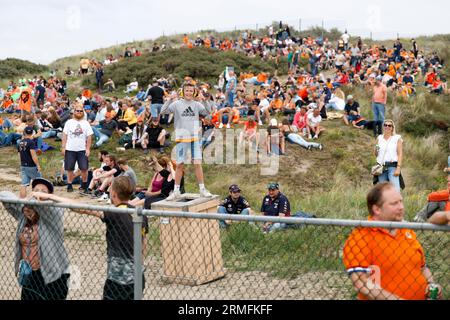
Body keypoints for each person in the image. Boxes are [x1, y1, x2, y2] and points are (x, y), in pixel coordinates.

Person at [32, 176, 149, 300]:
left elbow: (81, 208)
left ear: (113, 194)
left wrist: (50, 196)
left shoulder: (114, 212)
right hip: (138, 276)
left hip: (118, 279)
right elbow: (144, 246)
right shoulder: (140, 214)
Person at [343, 182, 443, 300]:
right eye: (394, 203)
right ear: (377, 209)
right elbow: (362, 283)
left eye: (401, 201)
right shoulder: (361, 236)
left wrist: (431, 284)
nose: (401, 207)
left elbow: (422, 267)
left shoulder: (407, 231)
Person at [0, 178, 70, 300]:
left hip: (54, 275)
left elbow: (52, 208)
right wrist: (23, 205)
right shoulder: (24, 215)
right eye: (36, 190)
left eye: (43, 191)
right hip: (31, 274)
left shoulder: (52, 216)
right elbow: (3, 195)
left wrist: (42, 198)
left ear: (49, 196)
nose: (39, 193)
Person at [160, 79, 212, 199]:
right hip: (182, 138)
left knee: (197, 163)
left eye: (191, 91)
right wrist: (169, 99)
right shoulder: (177, 103)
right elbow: (163, 111)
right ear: (183, 91)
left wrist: (205, 100)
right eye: (187, 90)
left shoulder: (196, 104)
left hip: (195, 137)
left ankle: (202, 189)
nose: (189, 92)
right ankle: (176, 190)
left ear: (194, 92)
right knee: (179, 165)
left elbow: (209, 112)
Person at [62, 104, 94, 193]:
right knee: (70, 168)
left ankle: (84, 184)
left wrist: (88, 149)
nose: (79, 112)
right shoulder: (69, 122)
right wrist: (63, 147)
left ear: (83, 112)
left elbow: (89, 137)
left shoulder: (86, 123)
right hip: (70, 148)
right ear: (74, 112)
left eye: (81, 111)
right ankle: (69, 185)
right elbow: (65, 135)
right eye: (77, 111)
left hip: (82, 149)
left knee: (84, 168)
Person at [374, 119, 403, 191]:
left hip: (392, 166)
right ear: (383, 127)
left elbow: (400, 154)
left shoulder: (397, 138)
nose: (387, 127)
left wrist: (398, 168)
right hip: (381, 167)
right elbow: (376, 154)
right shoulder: (379, 138)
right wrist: (376, 149)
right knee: (383, 191)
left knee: (396, 190)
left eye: (389, 125)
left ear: (392, 128)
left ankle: (396, 201)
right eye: (385, 125)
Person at [18, 126, 42, 198]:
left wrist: (21, 164)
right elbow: (33, 155)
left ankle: (21, 201)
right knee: (38, 182)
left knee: (23, 184)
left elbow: (19, 155)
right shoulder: (31, 142)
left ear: (24, 132)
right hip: (31, 166)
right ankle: (37, 200)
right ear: (32, 133)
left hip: (23, 165)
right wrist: (38, 165)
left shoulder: (20, 142)